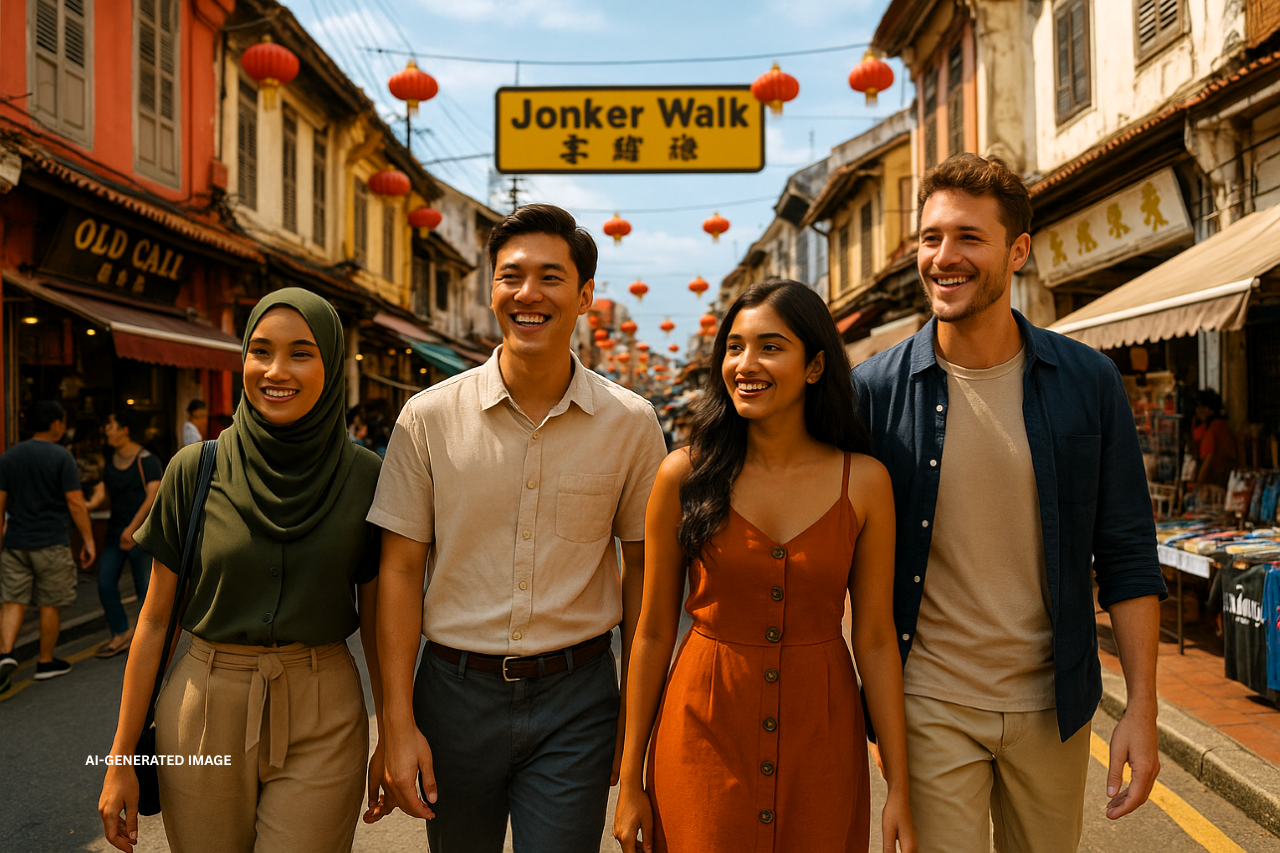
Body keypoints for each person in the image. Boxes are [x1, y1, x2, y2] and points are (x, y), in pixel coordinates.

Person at [850, 153, 1167, 852]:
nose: (944, 257)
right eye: (931, 238)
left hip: (1055, 702)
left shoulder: (1088, 381)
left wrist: (1142, 707)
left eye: (968, 237)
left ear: (1018, 251)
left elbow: (1126, 552)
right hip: (929, 699)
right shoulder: (874, 390)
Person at [371, 204, 667, 852]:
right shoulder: (428, 418)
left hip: (578, 698)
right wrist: (395, 720)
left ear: (584, 297)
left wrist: (637, 723)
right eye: (511, 276)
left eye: (550, 277)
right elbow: (399, 569)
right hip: (453, 695)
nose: (528, 293)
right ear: (491, 289)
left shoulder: (631, 422)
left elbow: (643, 572)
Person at [614, 281, 916, 853]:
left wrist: (898, 785)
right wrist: (631, 779)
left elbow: (876, 639)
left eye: (770, 347)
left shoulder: (865, 482)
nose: (745, 364)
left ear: (815, 366)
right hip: (703, 730)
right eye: (734, 347)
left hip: (823, 736)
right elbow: (652, 632)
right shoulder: (683, 476)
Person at [98, 289, 386, 853]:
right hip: (202, 708)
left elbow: (379, 627)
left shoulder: (367, 477)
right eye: (260, 351)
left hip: (325, 711)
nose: (276, 371)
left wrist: (396, 733)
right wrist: (120, 757)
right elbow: (154, 622)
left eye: (301, 353)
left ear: (331, 365)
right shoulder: (193, 469)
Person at [0, 401, 96, 690]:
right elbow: (76, 503)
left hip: (16, 541)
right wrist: (88, 540)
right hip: (51, 541)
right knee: (50, 602)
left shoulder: (9, 457)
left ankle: (5, 654)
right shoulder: (61, 456)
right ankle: (45, 662)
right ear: (55, 424)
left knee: (12, 599)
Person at [86, 410, 163, 658]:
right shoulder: (109, 459)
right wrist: (83, 506)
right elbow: (102, 492)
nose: (106, 430)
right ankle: (120, 632)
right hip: (115, 532)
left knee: (145, 588)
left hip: (141, 533)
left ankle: (147, 639)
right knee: (105, 582)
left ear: (125, 430)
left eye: (110, 425)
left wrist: (132, 529)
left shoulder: (146, 459)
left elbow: (153, 496)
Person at [1193, 388, 1235, 492]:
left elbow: (1209, 458)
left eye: (1203, 407)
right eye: (1198, 406)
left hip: (1217, 483)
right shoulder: (1216, 425)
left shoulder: (1215, 427)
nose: (1199, 410)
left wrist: (1198, 485)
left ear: (1211, 409)